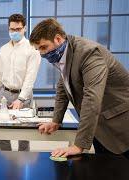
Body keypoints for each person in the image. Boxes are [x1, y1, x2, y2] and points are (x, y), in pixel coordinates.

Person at [29, 18, 129, 159]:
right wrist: (56, 121)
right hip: (99, 127)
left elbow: (92, 99)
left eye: (43, 47)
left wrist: (78, 145)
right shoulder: (65, 53)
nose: (41, 53)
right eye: (38, 49)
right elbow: (63, 88)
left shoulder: (89, 54)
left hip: (121, 125)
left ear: (57, 39)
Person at [0, 14, 41, 110]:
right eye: (12, 29)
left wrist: (21, 99)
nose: (15, 32)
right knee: (0, 123)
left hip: (23, 95)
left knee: (22, 123)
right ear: (8, 29)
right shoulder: (3, 49)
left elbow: (30, 77)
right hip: (4, 94)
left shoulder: (32, 48)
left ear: (25, 28)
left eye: (18, 29)